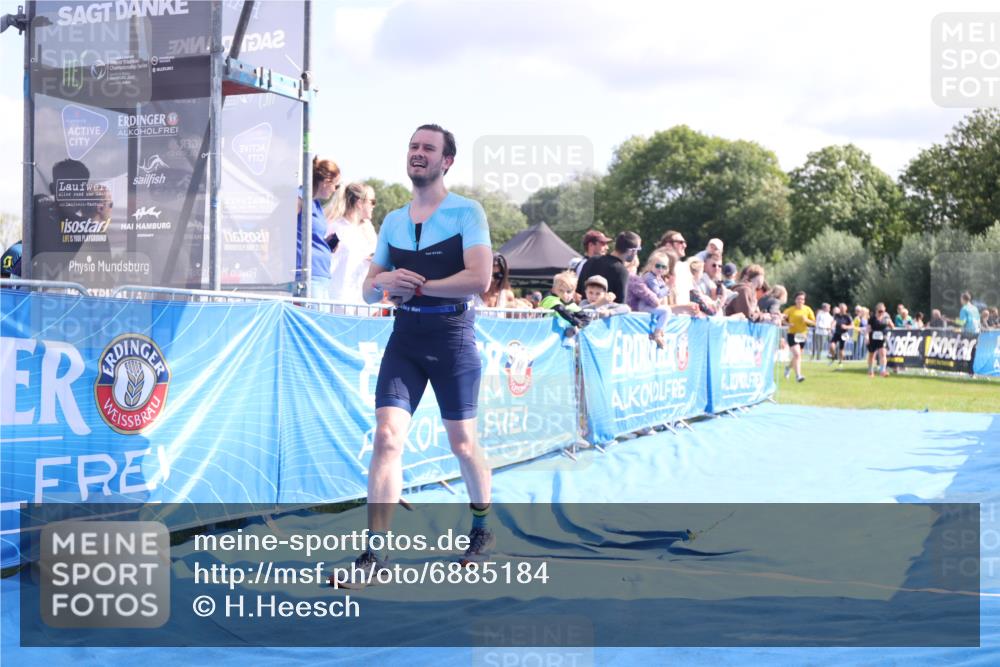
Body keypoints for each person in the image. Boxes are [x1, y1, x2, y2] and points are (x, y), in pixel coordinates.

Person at [348, 124, 494, 582]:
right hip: (405, 338)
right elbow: (369, 291)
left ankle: (482, 527)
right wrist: (383, 282)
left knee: (463, 444)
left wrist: (421, 285)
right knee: (387, 437)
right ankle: (376, 552)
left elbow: (480, 279)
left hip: (453, 337)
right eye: (413, 146)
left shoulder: (467, 212)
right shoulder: (392, 220)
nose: (418, 153)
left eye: (428, 148)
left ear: (446, 161)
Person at [325, 182, 378, 306]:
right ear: (360, 203)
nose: (373, 206)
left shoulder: (365, 231)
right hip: (337, 301)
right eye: (372, 202)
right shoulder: (335, 227)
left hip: (361, 303)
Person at [297, 156, 340, 299]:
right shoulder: (300, 198)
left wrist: (325, 243)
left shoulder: (316, 204)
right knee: (313, 319)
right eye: (336, 185)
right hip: (308, 275)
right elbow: (283, 227)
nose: (335, 190)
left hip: (320, 274)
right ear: (326, 182)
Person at [577, 231, 640, 305]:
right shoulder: (622, 271)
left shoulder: (592, 260)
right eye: (638, 250)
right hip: (603, 315)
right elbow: (620, 304)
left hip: (583, 312)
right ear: (631, 251)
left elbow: (579, 292)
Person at [630, 251, 673, 348]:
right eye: (658, 266)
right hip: (644, 305)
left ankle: (659, 330)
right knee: (666, 311)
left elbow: (663, 293)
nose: (660, 269)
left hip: (650, 305)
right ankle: (657, 334)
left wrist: (666, 289)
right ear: (651, 265)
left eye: (663, 267)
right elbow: (658, 294)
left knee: (666, 309)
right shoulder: (649, 277)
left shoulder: (659, 278)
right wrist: (668, 287)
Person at [782, 291, 816, 382]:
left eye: (802, 299)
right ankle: (798, 376)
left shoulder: (808, 309)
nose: (800, 301)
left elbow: (814, 322)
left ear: (804, 301)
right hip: (792, 334)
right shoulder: (790, 309)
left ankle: (788, 368)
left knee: (798, 356)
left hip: (802, 335)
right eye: (799, 299)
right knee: (797, 354)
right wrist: (788, 324)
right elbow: (782, 318)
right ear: (795, 300)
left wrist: (806, 320)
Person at [867, 303, 894, 377]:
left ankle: (883, 371)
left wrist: (890, 323)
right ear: (876, 310)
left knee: (883, 353)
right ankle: (870, 371)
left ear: (885, 310)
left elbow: (892, 326)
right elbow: (868, 328)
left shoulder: (886, 317)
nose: (881, 313)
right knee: (872, 355)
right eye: (879, 311)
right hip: (872, 338)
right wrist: (867, 337)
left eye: (882, 311)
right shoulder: (872, 318)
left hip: (882, 338)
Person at [830, 302, 854, 370]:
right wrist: (831, 326)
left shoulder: (848, 316)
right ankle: (833, 356)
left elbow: (852, 326)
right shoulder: (837, 315)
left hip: (844, 334)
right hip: (837, 333)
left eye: (843, 308)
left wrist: (846, 326)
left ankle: (840, 362)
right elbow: (834, 322)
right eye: (841, 308)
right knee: (832, 346)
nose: (842, 309)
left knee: (841, 349)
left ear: (846, 309)